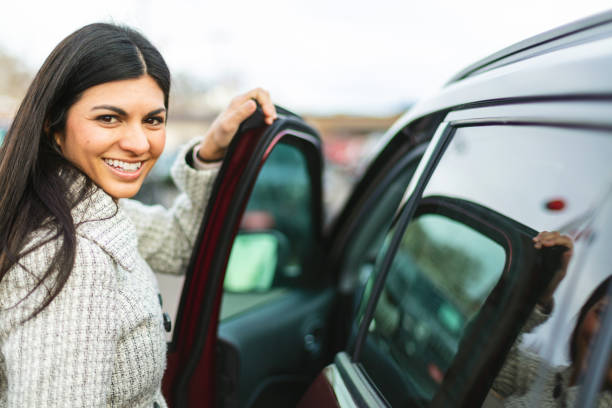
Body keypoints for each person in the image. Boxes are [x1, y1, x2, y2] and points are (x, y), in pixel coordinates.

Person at [0, 23, 277, 407]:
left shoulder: (83, 208)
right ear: (53, 125)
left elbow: (180, 244)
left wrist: (210, 152)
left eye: (153, 120)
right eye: (109, 119)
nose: (138, 143)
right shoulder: (71, 257)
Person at [492, 231, 612, 407]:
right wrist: (538, 294)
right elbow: (477, 355)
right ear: (585, 313)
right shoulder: (545, 379)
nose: (606, 339)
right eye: (603, 315)